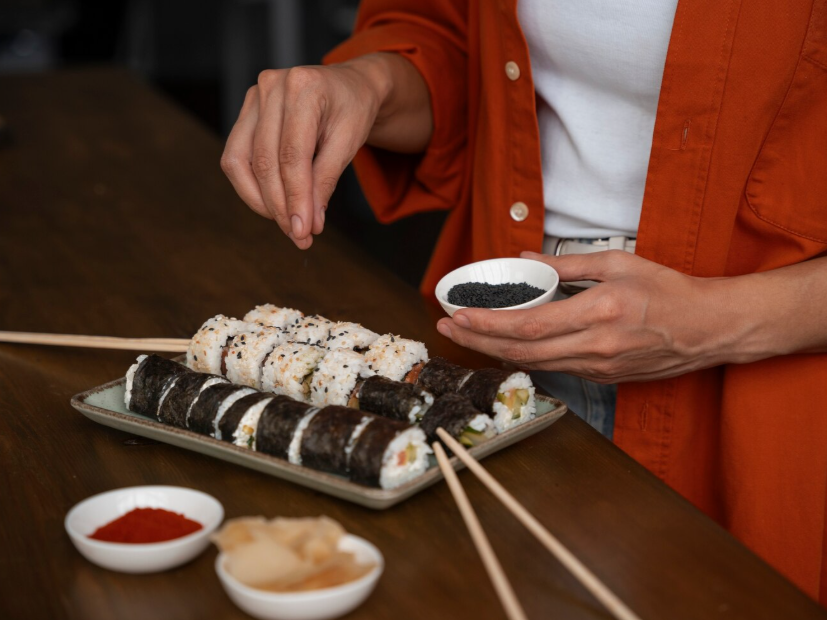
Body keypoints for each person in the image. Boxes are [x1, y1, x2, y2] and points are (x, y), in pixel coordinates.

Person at [220, 0, 827, 604]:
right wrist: (370, 81)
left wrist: (717, 323)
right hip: (501, 352)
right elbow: (449, 41)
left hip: (761, 395)